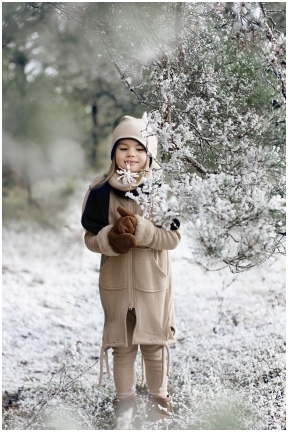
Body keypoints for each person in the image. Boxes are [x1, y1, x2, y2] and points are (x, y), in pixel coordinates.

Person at [81, 116, 181, 426]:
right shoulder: (99, 191)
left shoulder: (161, 190)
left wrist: (143, 231)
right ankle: (124, 410)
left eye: (138, 148)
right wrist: (110, 238)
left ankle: (158, 407)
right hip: (116, 287)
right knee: (122, 348)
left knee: (153, 346)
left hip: (153, 286)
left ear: (149, 154)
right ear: (113, 153)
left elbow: (172, 238)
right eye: (122, 147)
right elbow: (90, 238)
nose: (130, 154)